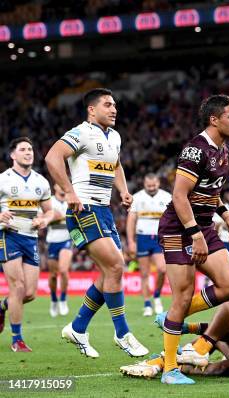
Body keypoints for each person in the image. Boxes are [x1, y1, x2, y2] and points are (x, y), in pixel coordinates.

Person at [45, 88, 148, 358]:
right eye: (107, 105)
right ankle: (123, 333)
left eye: (115, 104)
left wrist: (123, 191)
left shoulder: (114, 136)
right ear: (92, 109)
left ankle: (78, 327)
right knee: (116, 265)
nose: (114, 109)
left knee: (108, 273)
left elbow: (115, 165)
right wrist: (68, 191)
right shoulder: (80, 133)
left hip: (103, 211)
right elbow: (52, 157)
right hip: (83, 209)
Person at [156, 94, 229, 384]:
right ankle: (170, 369)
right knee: (181, 295)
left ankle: (174, 319)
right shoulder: (195, 150)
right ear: (213, 119)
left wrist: (225, 214)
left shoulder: (223, 149)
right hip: (178, 228)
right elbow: (179, 196)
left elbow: (210, 190)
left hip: (203, 225)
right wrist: (195, 234)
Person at [0, 137, 54, 352]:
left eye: (30, 149)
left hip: (30, 238)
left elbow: (50, 211)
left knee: (29, 293)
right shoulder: (3, 179)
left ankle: (2, 306)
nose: (28, 152)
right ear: (13, 155)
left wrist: (44, 220)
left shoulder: (40, 181)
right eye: (23, 149)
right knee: (17, 286)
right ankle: (17, 339)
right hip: (8, 235)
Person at [126, 173, 172, 316]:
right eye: (148, 185)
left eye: (154, 185)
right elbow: (131, 221)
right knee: (144, 273)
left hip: (160, 238)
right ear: (144, 184)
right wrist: (131, 241)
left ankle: (157, 296)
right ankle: (147, 304)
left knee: (162, 269)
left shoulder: (166, 197)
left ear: (158, 182)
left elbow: (172, 219)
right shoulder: (137, 197)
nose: (151, 188)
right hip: (142, 238)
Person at [46, 184, 73, 317]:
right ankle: (53, 299)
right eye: (58, 184)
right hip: (52, 241)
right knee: (52, 275)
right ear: (55, 187)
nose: (62, 186)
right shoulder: (49, 201)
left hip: (66, 240)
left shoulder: (71, 200)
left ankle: (63, 299)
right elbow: (40, 218)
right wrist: (51, 217)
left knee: (63, 270)